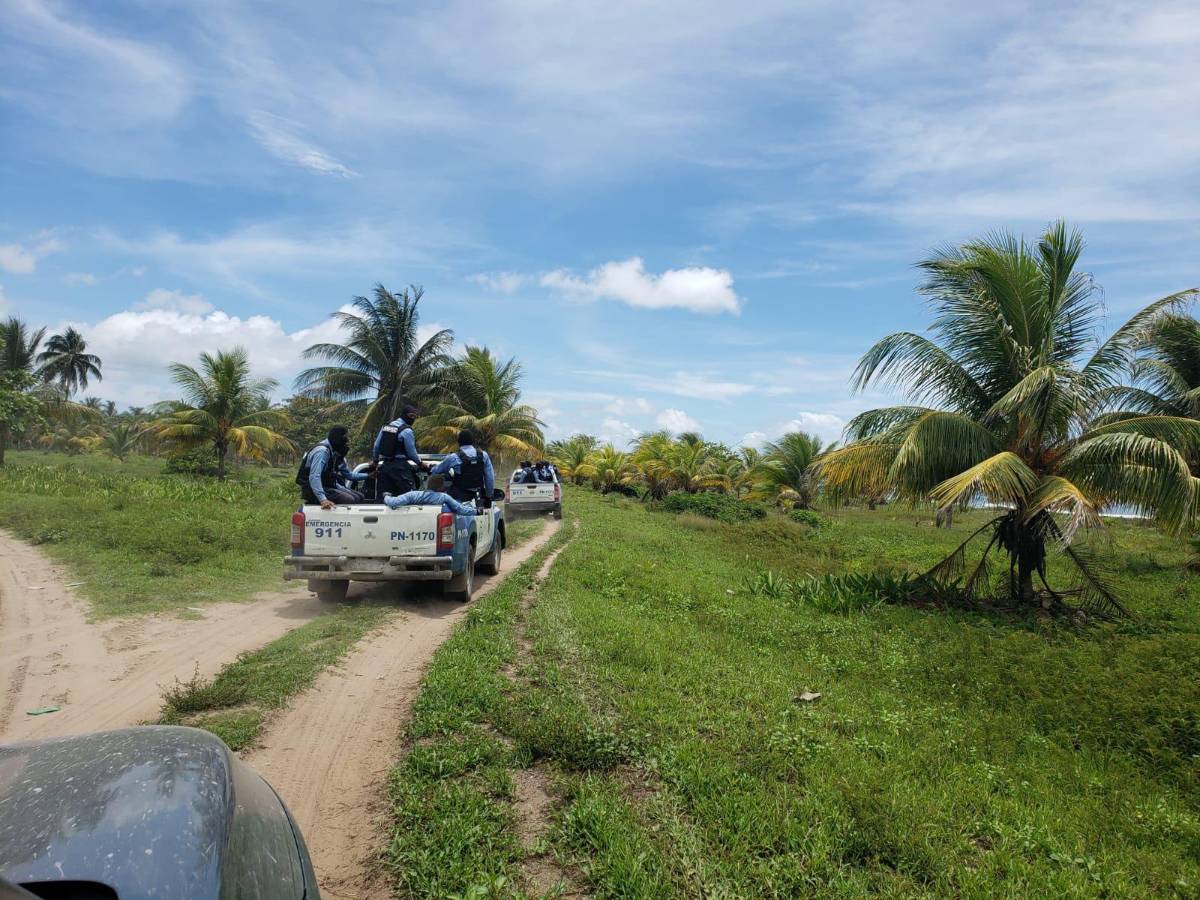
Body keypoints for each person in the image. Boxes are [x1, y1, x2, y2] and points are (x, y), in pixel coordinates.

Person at [296, 426, 370, 509]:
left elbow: (348, 475)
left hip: (327, 486)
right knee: (349, 499)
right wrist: (323, 499)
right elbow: (314, 476)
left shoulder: (335, 453)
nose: (347, 441)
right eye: (345, 438)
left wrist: (368, 475)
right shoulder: (322, 452)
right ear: (338, 438)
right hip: (312, 490)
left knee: (359, 496)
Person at [372, 404, 423, 498]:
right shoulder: (407, 430)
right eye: (411, 416)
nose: (413, 419)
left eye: (415, 417)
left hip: (385, 467)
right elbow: (411, 452)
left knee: (383, 498)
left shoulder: (386, 427)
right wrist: (420, 463)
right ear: (404, 414)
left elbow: (376, 446)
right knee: (409, 498)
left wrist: (375, 461)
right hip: (400, 469)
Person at [430, 429, 495, 503]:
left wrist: (430, 468)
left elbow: (436, 471)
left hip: (459, 500)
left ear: (459, 442)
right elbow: (490, 478)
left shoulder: (453, 457)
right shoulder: (484, 455)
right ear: (472, 441)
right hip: (478, 498)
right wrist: (488, 496)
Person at [383, 474, 481, 515]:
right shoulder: (443, 497)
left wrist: (386, 496)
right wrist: (476, 512)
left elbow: (393, 502)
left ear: (428, 485)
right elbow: (460, 509)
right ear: (440, 489)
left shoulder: (413, 495)